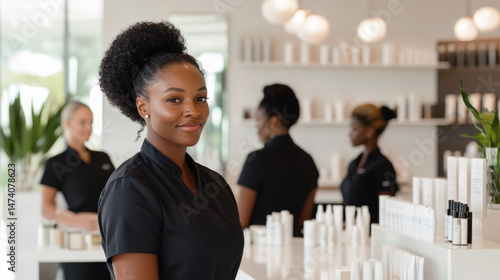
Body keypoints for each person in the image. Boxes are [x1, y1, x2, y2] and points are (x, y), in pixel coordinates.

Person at [97, 21, 243, 280]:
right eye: (174, 99)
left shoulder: (216, 185)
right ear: (143, 107)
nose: (193, 111)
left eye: (200, 98)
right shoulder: (130, 189)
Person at [40, 101, 114, 280]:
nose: (88, 127)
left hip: (109, 237)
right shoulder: (56, 163)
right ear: (67, 123)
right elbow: (46, 208)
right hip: (80, 238)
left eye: (91, 122)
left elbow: (117, 193)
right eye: (82, 122)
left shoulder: (102, 157)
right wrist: (76, 220)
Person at [237, 84, 319, 236]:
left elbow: (241, 221)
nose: (256, 126)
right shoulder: (309, 162)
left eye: (258, 119)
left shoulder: (256, 160)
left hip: (259, 251)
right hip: (294, 250)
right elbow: (303, 222)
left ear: (274, 121)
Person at [340, 103, 399, 224]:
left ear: (370, 131)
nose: (349, 134)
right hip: (351, 234)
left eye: (354, 129)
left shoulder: (383, 166)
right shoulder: (354, 163)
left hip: (370, 237)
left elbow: (386, 214)